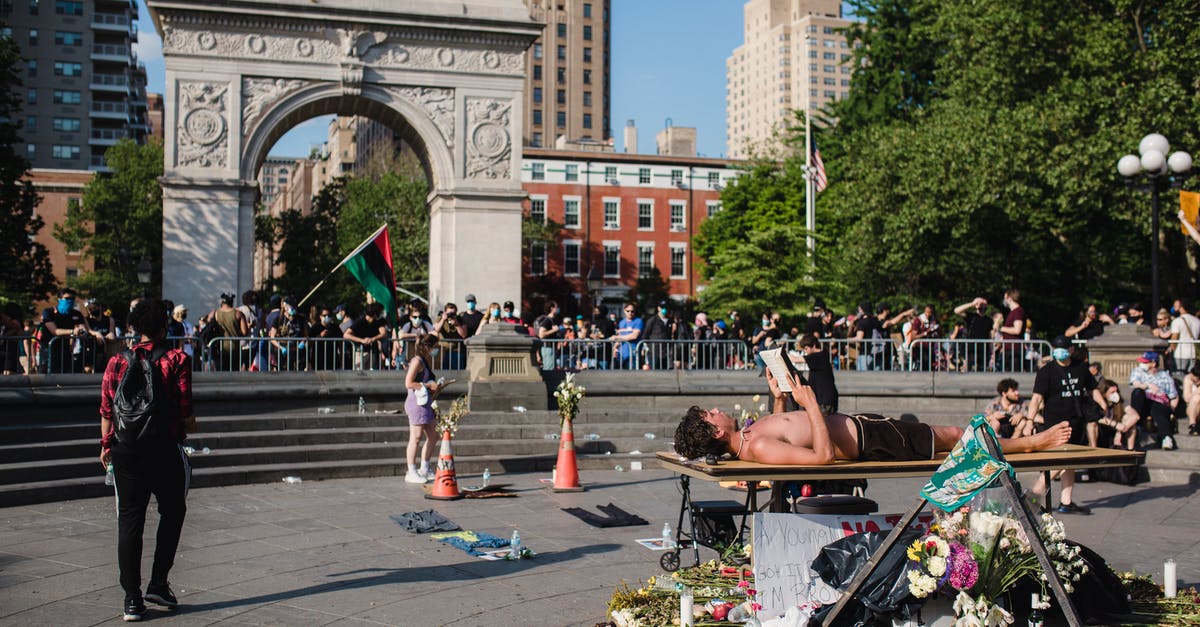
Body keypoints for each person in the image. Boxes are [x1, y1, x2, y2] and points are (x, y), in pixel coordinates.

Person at [673, 369, 1072, 465]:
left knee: (952, 437)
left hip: (868, 428)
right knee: (953, 436)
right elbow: (821, 459)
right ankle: (1029, 443)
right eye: (710, 414)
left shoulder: (750, 437)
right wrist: (811, 405)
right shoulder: (754, 445)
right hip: (872, 440)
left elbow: (789, 432)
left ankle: (1014, 443)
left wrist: (779, 399)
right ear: (713, 429)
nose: (715, 409)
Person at [99, 298, 195, 621]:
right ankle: (158, 580)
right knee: (173, 511)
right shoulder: (176, 359)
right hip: (164, 449)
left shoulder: (117, 363)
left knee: (129, 520)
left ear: (135, 327)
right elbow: (185, 412)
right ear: (164, 325)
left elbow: (106, 410)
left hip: (126, 450)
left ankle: (131, 599)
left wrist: (106, 445)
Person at [1026, 335, 1107, 514]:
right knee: (1058, 461)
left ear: (1071, 350)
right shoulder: (1047, 371)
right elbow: (1036, 398)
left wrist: (1103, 405)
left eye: (1062, 348)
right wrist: (1029, 420)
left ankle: (1066, 501)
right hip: (1055, 424)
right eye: (1056, 348)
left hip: (1076, 421)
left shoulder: (1080, 368)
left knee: (1070, 462)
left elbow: (1092, 389)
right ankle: (1033, 495)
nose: (1059, 351)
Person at [404, 334, 446, 483]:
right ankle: (411, 471)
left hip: (425, 402)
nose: (436, 350)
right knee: (415, 437)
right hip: (417, 403)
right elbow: (408, 383)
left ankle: (425, 467)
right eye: (435, 347)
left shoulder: (424, 361)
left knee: (433, 435)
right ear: (427, 347)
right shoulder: (417, 361)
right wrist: (428, 385)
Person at [1128, 350, 1179, 449]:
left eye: (1146, 362)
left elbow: (1173, 396)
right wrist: (1147, 385)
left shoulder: (1165, 376)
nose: (1142, 364)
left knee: (1157, 409)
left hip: (1159, 402)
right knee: (1138, 392)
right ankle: (1137, 424)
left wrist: (1172, 410)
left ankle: (1166, 438)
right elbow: (1135, 384)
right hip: (1143, 403)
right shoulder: (1138, 371)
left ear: (1154, 363)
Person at [1096, 379, 1140, 450]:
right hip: (1104, 430)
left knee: (1128, 418)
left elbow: (1135, 416)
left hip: (1118, 431)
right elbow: (1098, 419)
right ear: (1104, 393)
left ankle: (1130, 451)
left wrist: (1119, 431)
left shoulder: (1120, 402)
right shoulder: (1099, 403)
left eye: (1116, 391)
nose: (1115, 394)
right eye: (1112, 392)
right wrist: (1115, 424)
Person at [344, 303, 389, 370]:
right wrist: (362, 340)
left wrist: (373, 339)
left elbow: (383, 333)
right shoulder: (360, 322)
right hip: (361, 351)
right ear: (375, 314)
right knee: (359, 373)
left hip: (373, 352)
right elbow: (346, 335)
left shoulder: (378, 322)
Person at [1170, 299, 1200, 377]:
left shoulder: (1177, 321)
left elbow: (1174, 338)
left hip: (1180, 354)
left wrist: (1171, 350)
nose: (1174, 308)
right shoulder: (1197, 321)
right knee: (1192, 377)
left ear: (1181, 307)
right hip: (1194, 354)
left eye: (1176, 306)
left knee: (1179, 377)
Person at [612, 302, 643, 370]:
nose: (630, 313)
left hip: (633, 354)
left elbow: (634, 336)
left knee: (632, 376)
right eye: (628, 311)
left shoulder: (638, 321)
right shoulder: (621, 322)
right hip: (621, 354)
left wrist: (617, 337)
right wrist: (615, 347)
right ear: (624, 311)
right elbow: (620, 336)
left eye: (632, 311)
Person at [1184, 362, 1200, 436]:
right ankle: (1192, 424)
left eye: (1195, 380)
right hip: (1192, 409)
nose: (1191, 376)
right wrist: (1197, 391)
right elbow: (1186, 398)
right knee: (1197, 398)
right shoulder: (1188, 378)